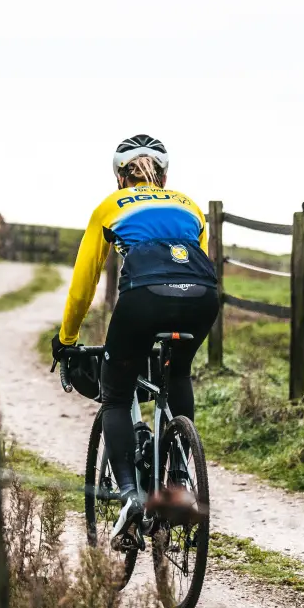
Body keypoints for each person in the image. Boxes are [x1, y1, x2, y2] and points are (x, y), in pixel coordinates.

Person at [53, 134, 220, 528]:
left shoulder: (110, 207)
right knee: (177, 373)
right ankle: (179, 479)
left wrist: (67, 339)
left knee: (116, 394)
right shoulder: (190, 205)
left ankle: (129, 494)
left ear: (119, 176)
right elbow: (199, 262)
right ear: (164, 175)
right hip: (202, 297)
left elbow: (83, 284)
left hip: (144, 298)